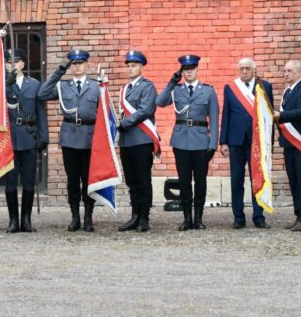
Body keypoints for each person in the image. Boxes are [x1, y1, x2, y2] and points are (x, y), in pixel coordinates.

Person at [38, 50, 99, 232]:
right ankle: (75, 217)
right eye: (74, 63)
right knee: (73, 180)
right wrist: (59, 71)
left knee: (89, 181)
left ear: (86, 64)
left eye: (80, 63)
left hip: (90, 137)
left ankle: (88, 217)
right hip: (70, 137)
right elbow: (42, 93)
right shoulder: (63, 86)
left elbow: (104, 114)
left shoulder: (96, 86)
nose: (77, 66)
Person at [156, 55, 219, 230]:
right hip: (181, 141)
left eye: (192, 68)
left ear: (197, 69)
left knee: (200, 181)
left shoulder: (208, 91)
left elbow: (214, 119)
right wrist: (171, 82)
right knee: (184, 182)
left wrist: (213, 144)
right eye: (185, 69)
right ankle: (187, 219)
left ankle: (198, 218)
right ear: (182, 71)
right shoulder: (176, 90)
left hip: (201, 142)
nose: (189, 71)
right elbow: (159, 102)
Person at [220, 57, 273, 229]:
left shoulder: (265, 87)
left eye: (247, 68)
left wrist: (269, 142)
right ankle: (238, 217)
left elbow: (269, 117)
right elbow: (226, 115)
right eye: (241, 69)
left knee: (257, 178)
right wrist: (223, 142)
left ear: (254, 70)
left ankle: (259, 216)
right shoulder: (230, 88)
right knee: (237, 180)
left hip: (257, 141)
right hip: (236, 141)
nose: (244, 71)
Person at [2, 49, 48, 233]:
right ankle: (13, 220)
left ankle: (26, 220)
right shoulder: (1, 85)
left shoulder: (35, 84)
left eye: (16, 62)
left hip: (29, 135)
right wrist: (7, 85)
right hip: (9, 137)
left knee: (29, 180)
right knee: (11, 181)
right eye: (8, 62)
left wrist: (44, 136)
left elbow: (41, 112)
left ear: (22, 64)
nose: (12, 65)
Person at [117, 50, 159, 233]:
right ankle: (134, 216)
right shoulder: (125, 88)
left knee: (143, 180)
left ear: (142, 67)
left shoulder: (147, 87)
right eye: (128, 66)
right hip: (127, 141)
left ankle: (144, 217)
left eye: (134, 65)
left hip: (141, 140)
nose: (130, 69)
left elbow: (145, 111)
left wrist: (122, 123)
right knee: (131, 181)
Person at [273, 60, 301, 231]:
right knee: (294, 181)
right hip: (289, 143)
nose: (286, 74)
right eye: (284, 71)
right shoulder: (288, 91)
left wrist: (280, 116)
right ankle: (299, 215)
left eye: (289, 71)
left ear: (299, 72)